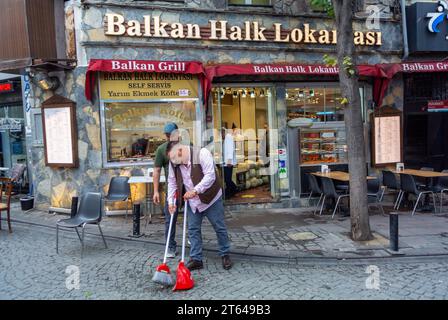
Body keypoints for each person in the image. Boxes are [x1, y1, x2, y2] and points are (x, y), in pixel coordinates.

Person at [167, 141, 233, 271]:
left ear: (180, 150)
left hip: (211, 197)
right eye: (171, 159)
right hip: (193, 202)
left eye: (174, 158)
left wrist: (195, 191)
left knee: (219, 227)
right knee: (193, 229)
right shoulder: (174, 163)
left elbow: (210, 176)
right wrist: (170, 202)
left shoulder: (202, 153)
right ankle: (196, 258)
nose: (173, 162)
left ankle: (225, 254)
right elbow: (172, 182)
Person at [153, 122, 180, 258]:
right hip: (172, 190)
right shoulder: (162, 149)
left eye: (171, 134)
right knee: (170, 219)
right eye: (167, 135)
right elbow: (157, 170)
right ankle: (170, 246)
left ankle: (194, 244)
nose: (169, 137)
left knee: (194, 218)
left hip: (188, 189)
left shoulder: (187, 145)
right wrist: (156, 191)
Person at [222, 127, 238, 198]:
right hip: (226, 162)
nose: (221, 135)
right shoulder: (226, 138)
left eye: (221, 133)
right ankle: (232, 190)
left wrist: (229, 161)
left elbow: (230, 150)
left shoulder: (228, 137)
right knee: (227, 179)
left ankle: (231, 191)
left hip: (228, 162)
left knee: (227, 179)